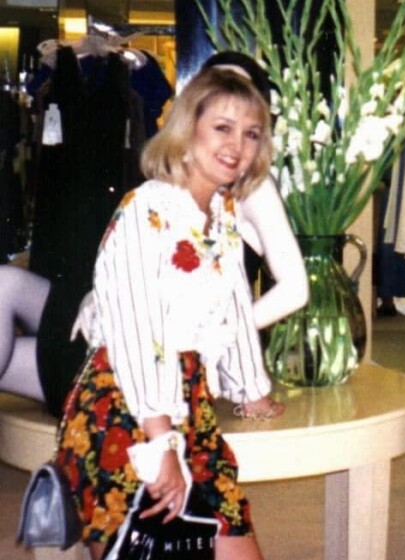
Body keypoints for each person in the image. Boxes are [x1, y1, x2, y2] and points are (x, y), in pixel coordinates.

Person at [53, 67, 284, 560]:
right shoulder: (146, 209)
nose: (237, 145)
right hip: (127, 406)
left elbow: (236, 309)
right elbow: (134, 334)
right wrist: (160, 449)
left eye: (251, 134)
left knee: (233, 537)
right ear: (187, 129)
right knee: (153, 543)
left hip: (191, 401)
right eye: (222, 127)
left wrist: (252, 390)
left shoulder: (221, 215)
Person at [0, 52, 308, 415]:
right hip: (110, 333)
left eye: (246, 124)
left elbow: (289, 291)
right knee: (6, 283)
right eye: (219, 117)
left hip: (143, 361)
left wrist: (209, 341)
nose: (234, 139)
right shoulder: (176, 190)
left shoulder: (245, 190)